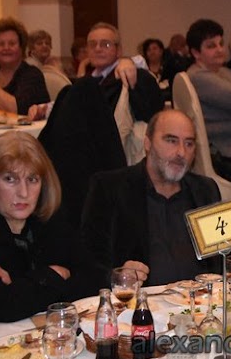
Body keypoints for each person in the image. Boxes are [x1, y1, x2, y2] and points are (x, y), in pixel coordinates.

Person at [0, 131, 104, 322]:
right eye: (10, 179)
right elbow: (1, 308)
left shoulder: (50, 222)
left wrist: (22, 286)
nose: (23, 193)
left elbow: (93, 280)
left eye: (32, 179)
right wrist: (55, 274)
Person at [37, 23, 161, 226]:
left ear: (118, 50)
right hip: (83, 155)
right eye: (92, 44)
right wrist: (43, 108)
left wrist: (131, 63)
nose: (98, 49)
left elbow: (153, 112)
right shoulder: (89, 79)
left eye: (105, 44)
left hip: (107, 156)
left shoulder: (131, 75)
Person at [81, 109, 222, 284]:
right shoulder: (111, 188)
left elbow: (223, 258)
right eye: (171, 141)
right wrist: (118, 276)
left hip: (201, 298)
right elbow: (88, 264)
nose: (181, 152)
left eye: (189, 144)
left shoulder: (205, 190)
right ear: (147, 143)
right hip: (142, 300)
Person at [186, 18, 231, 185]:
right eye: (211, 46)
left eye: (221, 44)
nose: (220, 50)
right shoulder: (198, 77)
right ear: (196, 53)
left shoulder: (222, 71)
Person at [0, 17, 49, 116]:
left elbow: (16, 110)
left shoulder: (32, 75)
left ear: (21, 47)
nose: (6, 48)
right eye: (1, 44)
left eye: (12, 44)